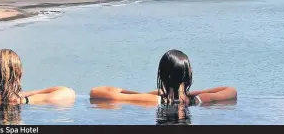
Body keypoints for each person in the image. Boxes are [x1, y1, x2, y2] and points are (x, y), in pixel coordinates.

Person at [89, 49, 237, 106]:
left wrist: (143, 94)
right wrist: (187, 94)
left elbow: (96, 92)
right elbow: (230, 90)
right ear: (189, 74)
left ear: (161, 74)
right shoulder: (199, 100)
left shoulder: (153, 100)